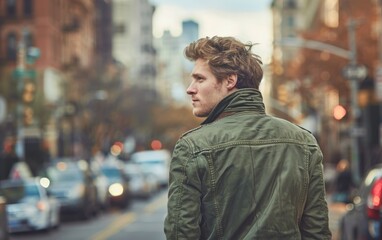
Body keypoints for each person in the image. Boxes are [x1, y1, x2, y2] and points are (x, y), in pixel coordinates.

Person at [164, 36, 331, 239]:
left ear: (230, 81)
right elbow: (317, 232)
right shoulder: (305, 143)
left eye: (200, 79)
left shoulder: (192, 147)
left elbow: (181, 234)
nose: (190, 88)